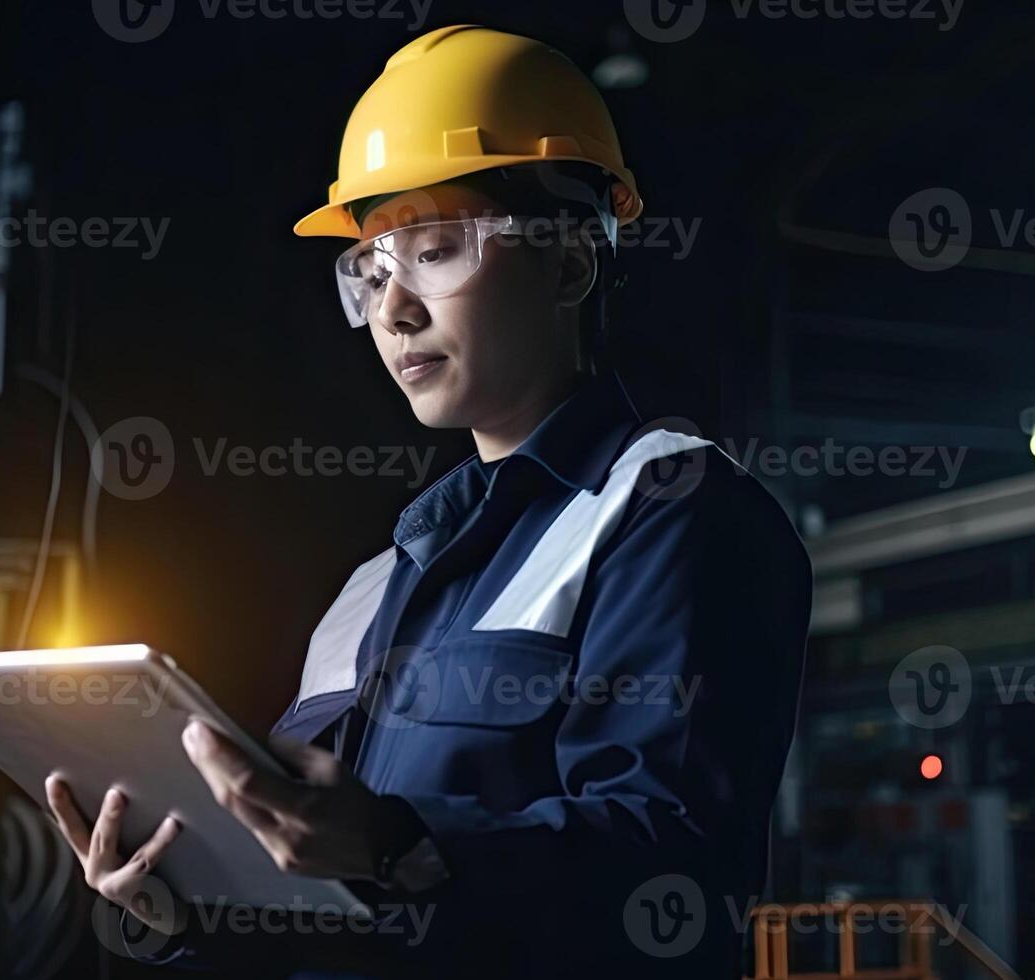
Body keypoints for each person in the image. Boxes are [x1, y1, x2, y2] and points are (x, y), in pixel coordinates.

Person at [46, 24, 812, 978]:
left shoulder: (674, 513)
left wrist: (400, 846)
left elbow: (672, 885)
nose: (394, 309)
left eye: (438, 250)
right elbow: (321, 905)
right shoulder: (373, 587)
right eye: (371, 270)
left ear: (571, 264)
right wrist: (174, 900)